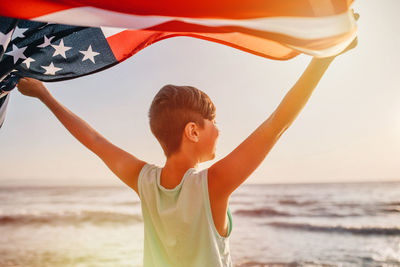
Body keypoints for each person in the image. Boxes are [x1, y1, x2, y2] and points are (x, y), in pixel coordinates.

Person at [16, 34, 357, 267]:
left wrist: (46, 97)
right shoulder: (213, 184)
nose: (220, 129)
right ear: (193, 131)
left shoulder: (144, 181)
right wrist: (323, 59)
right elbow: (278, 123)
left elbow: (93, 140)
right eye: (214, 121)